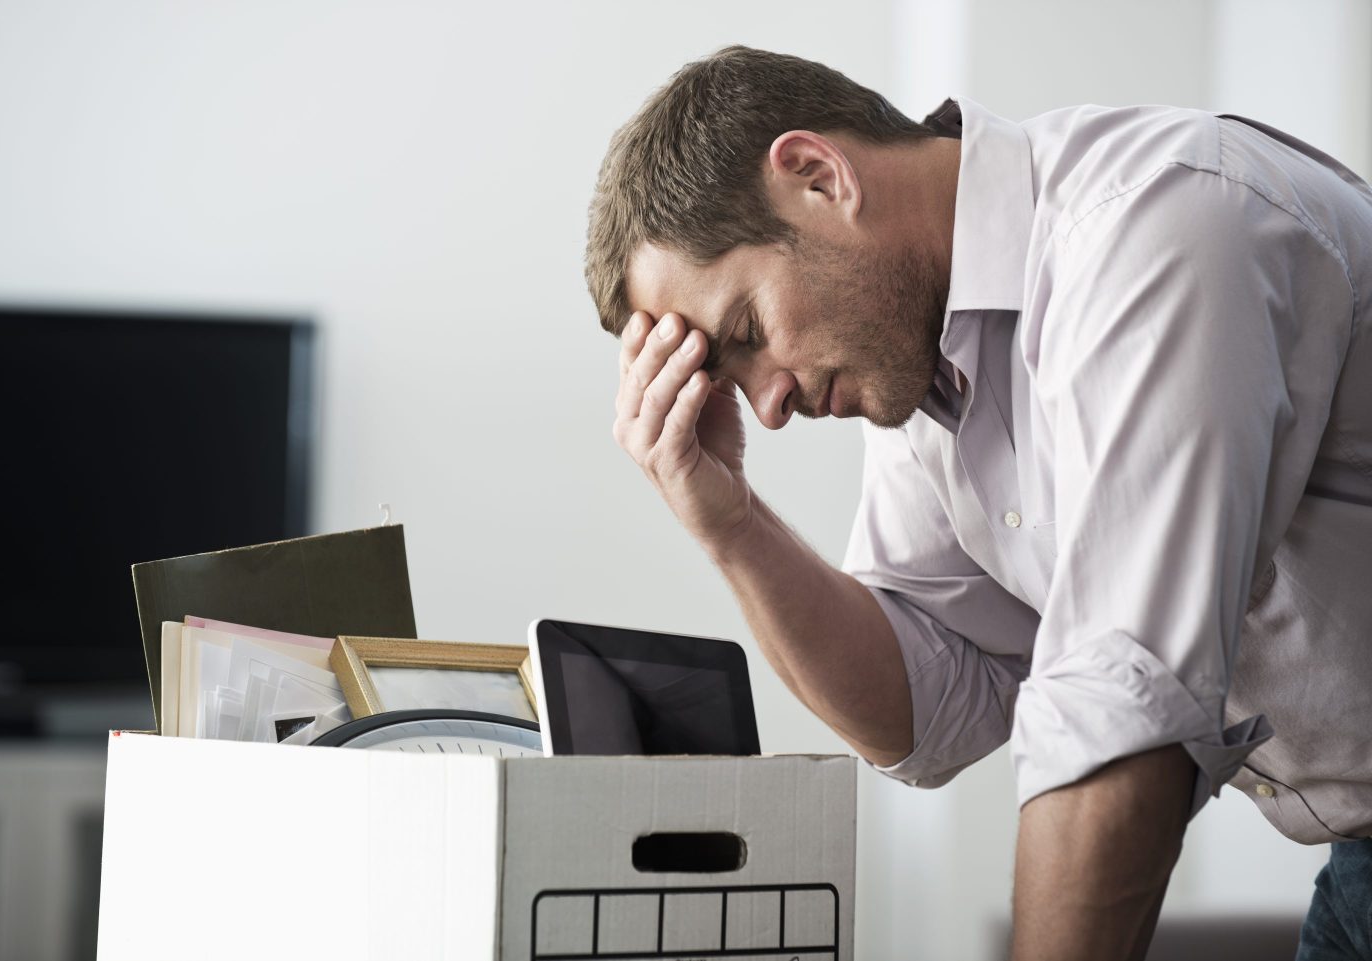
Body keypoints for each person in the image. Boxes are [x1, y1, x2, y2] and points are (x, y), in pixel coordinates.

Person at [583, 46, 1372, 961]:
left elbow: (1125, 702)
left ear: (818, 176)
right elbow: (922, 712)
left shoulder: (1154, 229)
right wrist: (730, 525)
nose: (769, 407)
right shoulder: (926, 368)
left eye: (748, 332)